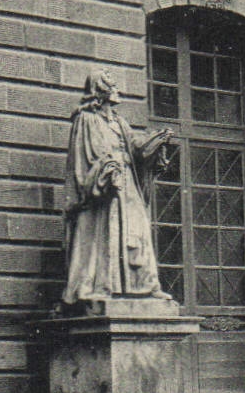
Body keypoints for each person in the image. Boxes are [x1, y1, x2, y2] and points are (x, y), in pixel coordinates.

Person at [61, 70, 175, 306]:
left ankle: (145, 286)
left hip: (127, 184)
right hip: (105, 190)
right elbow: (86, 155)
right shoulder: (86, 119)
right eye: (111, 87)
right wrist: (107, 171)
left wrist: (157, 140)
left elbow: (136, 148)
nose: (117, 92)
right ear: (100, 92)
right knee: (107, 234)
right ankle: (102, 287)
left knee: (137, 230)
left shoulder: (120, 122)